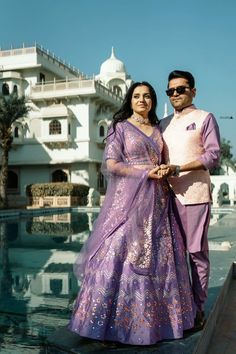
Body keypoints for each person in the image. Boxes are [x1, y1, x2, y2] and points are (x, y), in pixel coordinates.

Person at [68, 81, 195, 345]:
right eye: (137, 96)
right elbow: (112, 164)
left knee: (162, 257)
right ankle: (105, 323)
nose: (142, 100)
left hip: (158, 200)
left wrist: (159, 169)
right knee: (116, 252)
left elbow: (162, 159)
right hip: (129, 199)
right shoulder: (120, 128)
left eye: (147, 96)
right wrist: (143, 172)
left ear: (152, 101)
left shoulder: (158, 129)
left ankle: (159, 324)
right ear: (130, 99)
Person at [159, 70, 221, 330]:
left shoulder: (204, 118)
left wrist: (179, 168)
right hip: (165, 198)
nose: (175, 94)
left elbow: (213, 156)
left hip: (194, 195)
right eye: (170, 91)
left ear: (193, 91)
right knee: (172, 257)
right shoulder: (162, 124)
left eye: (180, 89)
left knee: (196, 254)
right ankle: (177, 309)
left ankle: (197, 310)